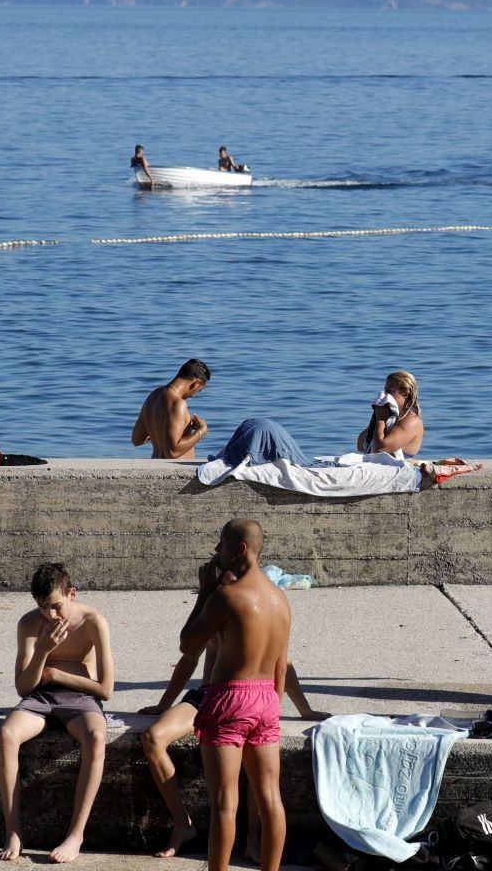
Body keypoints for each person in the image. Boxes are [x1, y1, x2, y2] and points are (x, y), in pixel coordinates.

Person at [138, 563, 329, 860]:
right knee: (152, 737)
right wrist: (165, 703)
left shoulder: (252, 603)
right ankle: (182, 823)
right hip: (209, 696)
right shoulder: (219, 601)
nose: (218, 573)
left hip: (242, 699)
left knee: (254, 778)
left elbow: (282, 663)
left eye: (224, 567)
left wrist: (303, 709)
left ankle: (252, 838)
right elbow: (189, 655)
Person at [179, 519, 289, 871]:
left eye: (222, 543)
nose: (216, 551)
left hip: (230, 697)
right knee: (271, 798)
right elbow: (281, 668)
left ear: (240, 549)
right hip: (268, 700)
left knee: (226, 802)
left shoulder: (226, 597)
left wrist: (205, 592)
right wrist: (273, 707)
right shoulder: (280, 600)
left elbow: (188, 644)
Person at [0, 563, 113, 863]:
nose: (51, 615)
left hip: (81, 698)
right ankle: (13, 830)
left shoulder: (93, 621)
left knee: (97, 737)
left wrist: (55, 673)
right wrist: (43, 651)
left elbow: (105, 689)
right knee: (7, 734)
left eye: (56, 606)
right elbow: (23, 687)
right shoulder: (29, 624)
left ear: (71, 594)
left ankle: (76, 834)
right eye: (43, 607)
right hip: (40, 698)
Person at [132, 359, 211, 459]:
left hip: (156, 464)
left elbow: (136, 439)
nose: (194, 396)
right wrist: (201, 431)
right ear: (196, 384)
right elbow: (172, 452)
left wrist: (162, 432)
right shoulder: (178, 404)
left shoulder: (153, 396)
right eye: (199, 391)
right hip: (175, 471)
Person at [356, 370, 424, 457]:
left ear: (405, 394)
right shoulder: (391, 417)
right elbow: (361, 446)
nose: (384, 395)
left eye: (389, 391)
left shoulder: (412, 421)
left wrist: (381, 419)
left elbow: (380, 450)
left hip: (400, 468)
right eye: (385, 391)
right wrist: (375, 418)